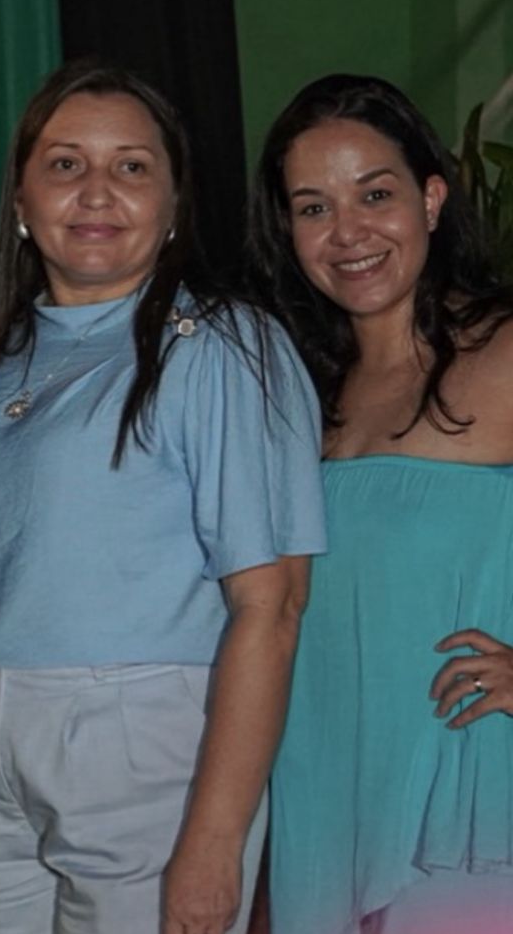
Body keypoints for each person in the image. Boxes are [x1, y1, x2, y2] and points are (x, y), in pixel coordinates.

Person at [0, 60, 327, 934]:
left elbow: (274, 605)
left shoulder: (224, 347)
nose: (97, 190)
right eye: (66, 164)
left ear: (175, 202)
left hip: (145, 733)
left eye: (133, 166)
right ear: (23, 201)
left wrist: (215, 838)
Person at [248, 74, 513, 934]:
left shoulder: (505, 349)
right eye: (313, 207)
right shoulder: (291, 390)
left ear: (432, 198)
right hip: (317, 786)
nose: (349, 232)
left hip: (461, 789)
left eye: (375, 193)